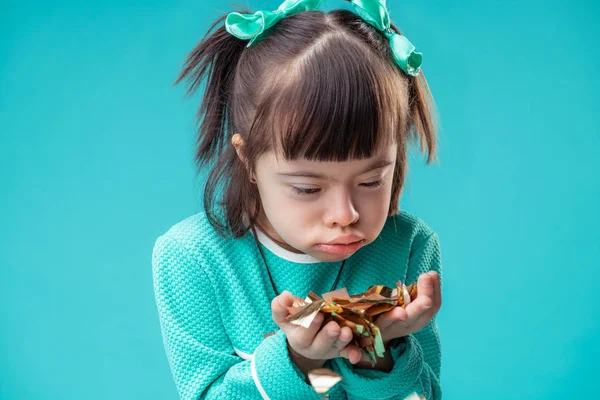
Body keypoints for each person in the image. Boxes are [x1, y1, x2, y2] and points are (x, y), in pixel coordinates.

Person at [152, 1, 443, 399]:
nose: (345, 215)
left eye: (372, 180)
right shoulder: (193, 259)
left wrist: (379, 349)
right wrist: (298, 359)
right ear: (249, 159)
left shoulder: (408, 248)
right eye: (308, 188)